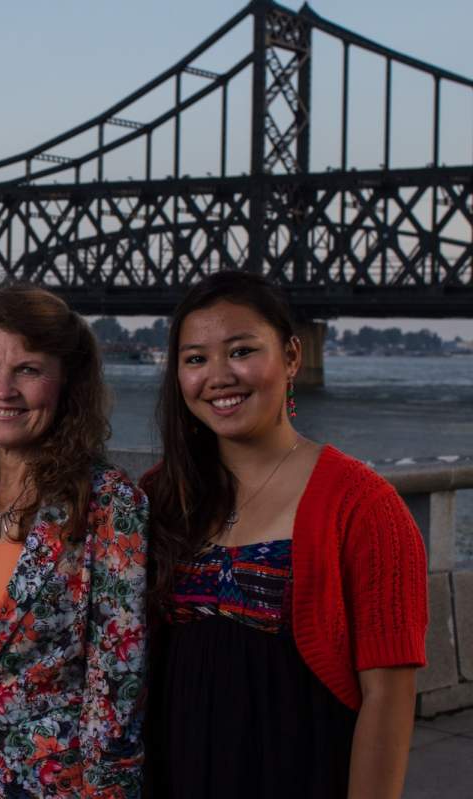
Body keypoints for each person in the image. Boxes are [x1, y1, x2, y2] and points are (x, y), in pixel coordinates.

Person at [141, 270, 429, 798]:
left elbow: (388, 699)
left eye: (242, 351)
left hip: (297, 771)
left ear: (292, 357)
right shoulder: (159, 496)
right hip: (173, 773)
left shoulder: (365, 507)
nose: (219, 376)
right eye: (195, 359)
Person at [0, 284, 148, 799]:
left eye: (27, 369)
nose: (3, 390)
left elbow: (118, 692)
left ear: (66, 382)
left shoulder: (108, 504)